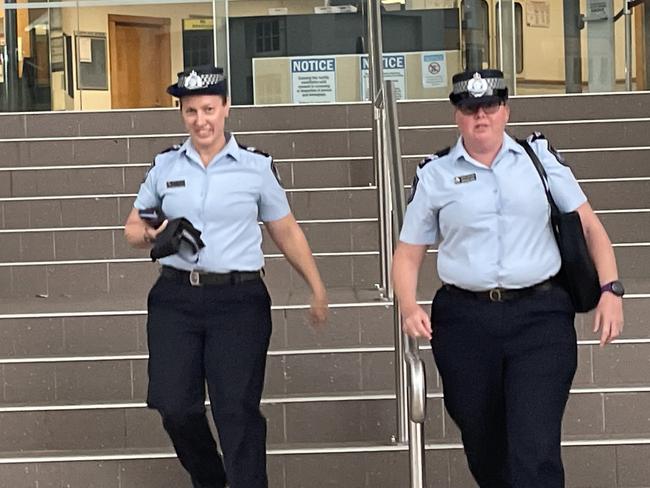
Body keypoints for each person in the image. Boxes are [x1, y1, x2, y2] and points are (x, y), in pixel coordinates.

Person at [391, 69, 624, 487]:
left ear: (505, 111)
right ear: (456, 116)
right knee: (485, 447)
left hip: (540, 317)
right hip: (465, 322)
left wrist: (611, 289)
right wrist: (408, 305)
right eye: (469, 108)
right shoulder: (435, 174)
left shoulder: (540, 160)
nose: (481, 116)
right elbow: (408, 254)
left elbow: (589, 226)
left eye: (490, 106)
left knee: (534, 448)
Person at [123, 65, 328, 488]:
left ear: (227, 108)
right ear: (182, 112)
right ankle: (211, 479)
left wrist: (316, 286)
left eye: (210, 109)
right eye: (192, 111)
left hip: (239, 301)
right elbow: (132, 227)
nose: (201, 120)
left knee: (236, 409)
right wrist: (152, 235)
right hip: (176, 298)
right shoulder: (165, 165)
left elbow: (285, 229)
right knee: (174, 406)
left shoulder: (255, 167)